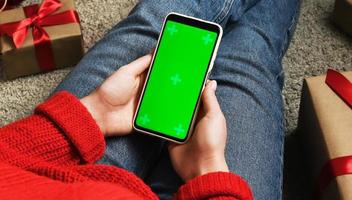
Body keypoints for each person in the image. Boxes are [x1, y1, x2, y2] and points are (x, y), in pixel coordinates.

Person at [0, 0, 300, 199]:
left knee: (156, 20)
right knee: (247, 57)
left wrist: (92, 114)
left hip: (54, 176)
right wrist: (209, 170)